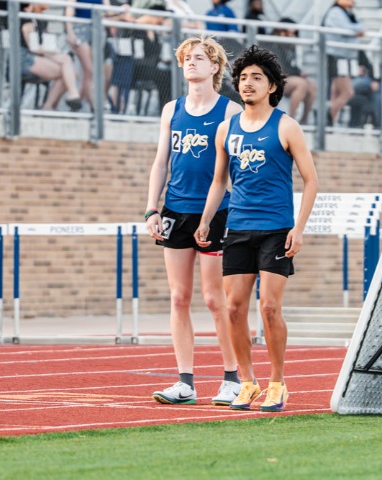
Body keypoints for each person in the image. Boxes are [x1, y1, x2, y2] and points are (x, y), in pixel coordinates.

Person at [195, 45, 318, 412]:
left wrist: (299, 228)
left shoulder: (286, 126)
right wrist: (206, 219)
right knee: (233, 308)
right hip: (238, 228)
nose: (248, 83)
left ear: (272, 87)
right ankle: (247, 382)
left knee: (269, 308)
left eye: (256, 78)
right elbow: (219, 181)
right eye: (244, 78)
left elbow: (311, 180)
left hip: (276, 229)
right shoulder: (226, 129)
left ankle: (278, 383)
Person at [146, 36, 244, 406]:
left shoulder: (230, 111)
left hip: (215, 213)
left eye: (199, 58)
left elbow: (235, 168)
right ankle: (184, 381)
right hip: (175, 211)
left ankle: (232, 378)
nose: (191, 62)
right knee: (178, 297)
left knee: (215, 299)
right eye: (187, 58)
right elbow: (161, 161)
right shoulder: (172, 109)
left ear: (215, 66)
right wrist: (151, 208)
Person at [20, 3, 82, 111]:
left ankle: (50, 105)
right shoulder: (24, 18)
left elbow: (47, 44)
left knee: (70, 69)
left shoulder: (42, 19)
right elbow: (33, 48)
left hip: (41, 56)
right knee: (66, 67)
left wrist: (54, 53)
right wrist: (53, 55)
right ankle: (55, 104)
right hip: (25, 58)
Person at [262, 18, 317, 124]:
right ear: (282, 32)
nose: (293, 37)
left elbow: (290, 66)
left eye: (294, 34)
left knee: (311, 86)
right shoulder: (272, 43)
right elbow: (280, 68)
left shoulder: (288, 46)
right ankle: (291, 120)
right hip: (272, 79)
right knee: (301, 84)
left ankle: (304, 120)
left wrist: (299, 73)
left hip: (284, 77)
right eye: (291, 33)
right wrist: (297, 74)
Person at [322, 0, 365, 125]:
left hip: (346, 57)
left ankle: (331, 121)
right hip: (337, 56)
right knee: (347, 92)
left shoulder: (350, 13)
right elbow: (344, 30)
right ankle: (328, 115)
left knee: (337, 91)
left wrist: (356, 30)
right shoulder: (335, 12)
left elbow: (362, 27)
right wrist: (356, 31)